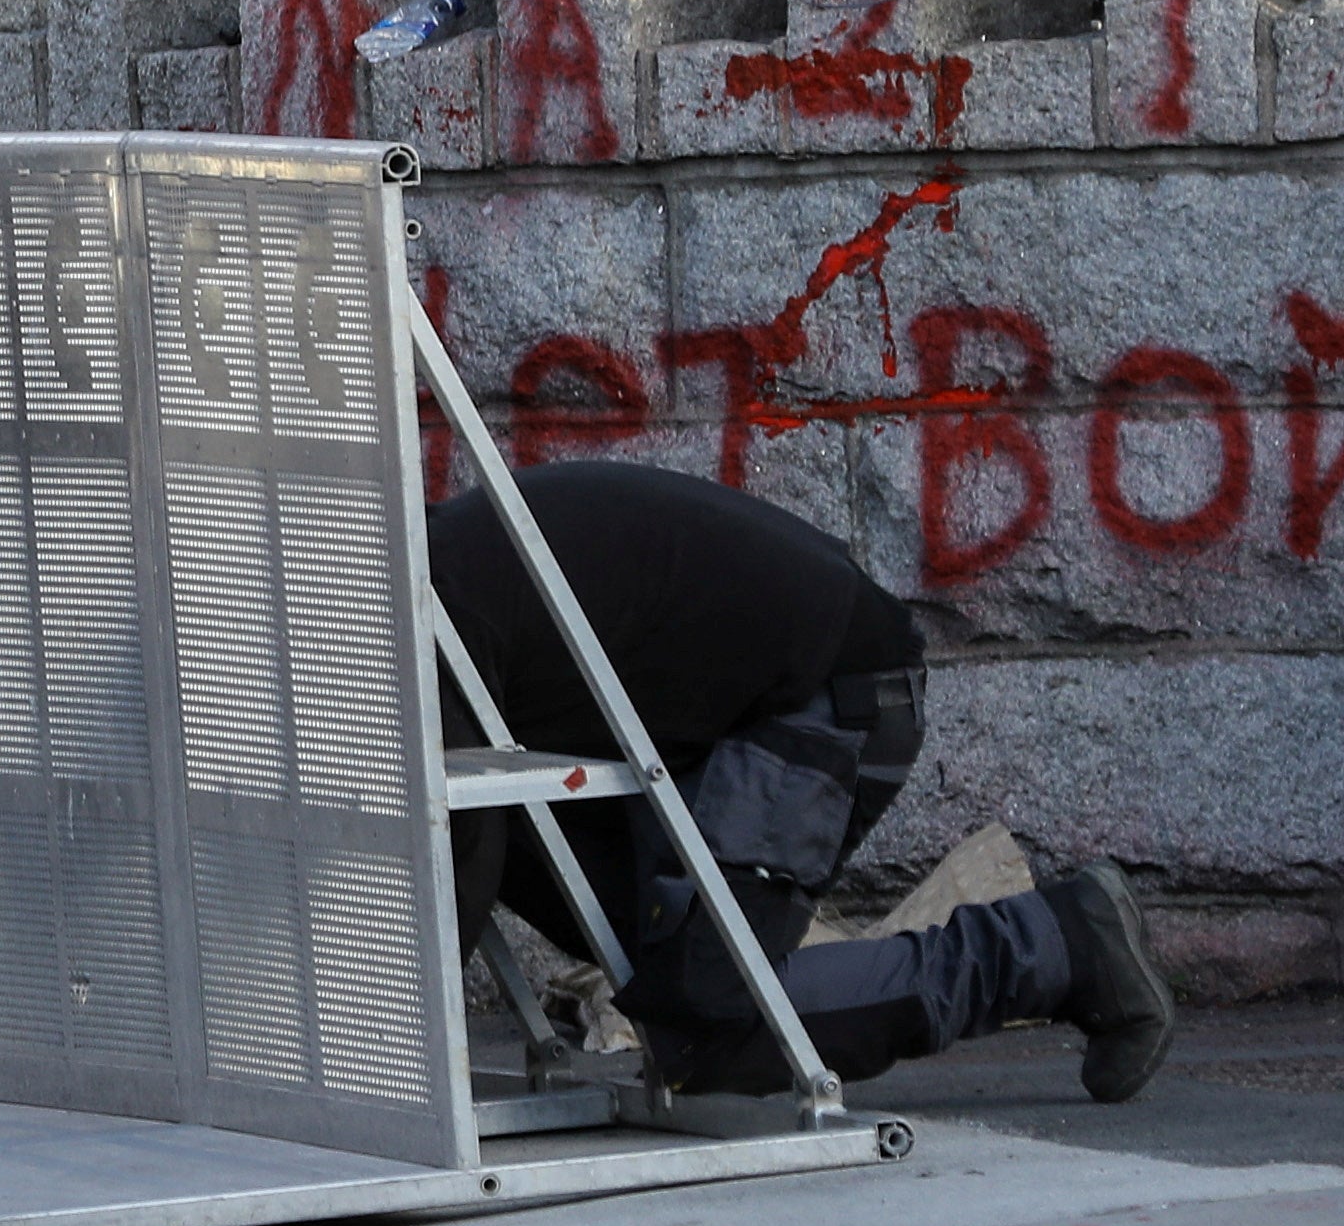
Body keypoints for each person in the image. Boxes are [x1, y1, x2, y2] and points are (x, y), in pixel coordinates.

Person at [433, 462, 1175, 1104]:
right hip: (722, 706)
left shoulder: (421, 615)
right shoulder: (415, 569)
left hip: (823, 696)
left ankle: (1060, 947)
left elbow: (448, 842)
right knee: (555, 867)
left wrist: (395, 1065)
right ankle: (699, 974)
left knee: (709, 1028)